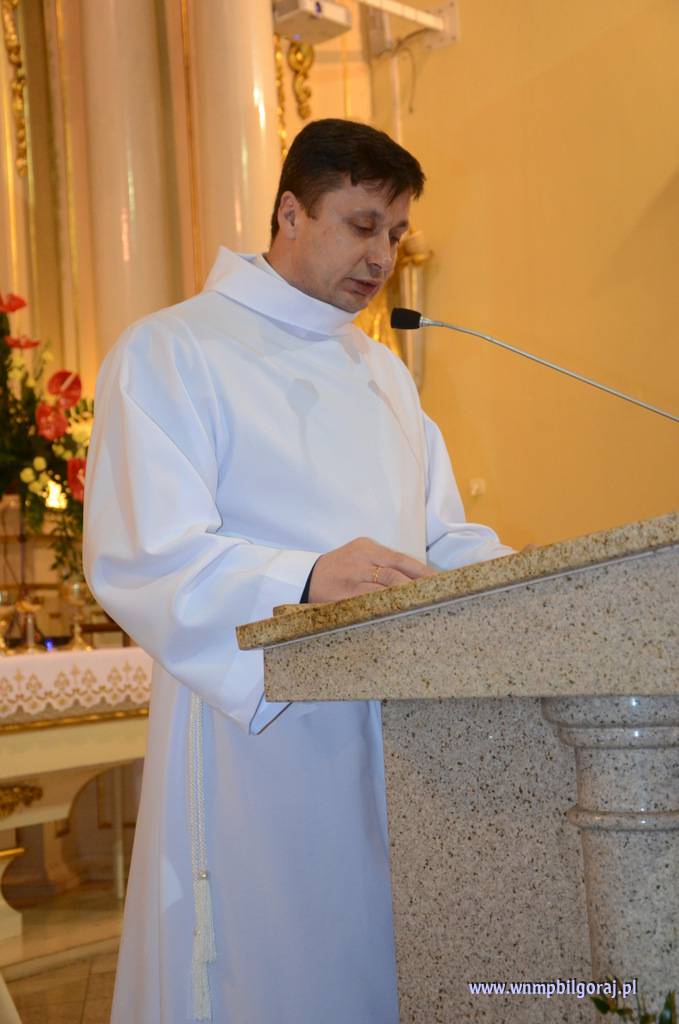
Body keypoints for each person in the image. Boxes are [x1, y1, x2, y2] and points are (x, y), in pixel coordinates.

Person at [83, 118, 512, 1024]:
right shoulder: (172, 351)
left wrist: (531, 585)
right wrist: (307, 576)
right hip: (256, 738)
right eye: (362, 225)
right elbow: (143, 554)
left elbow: (439, 539)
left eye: (396, 233)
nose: (382, 256)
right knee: (271, 969)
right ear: (289, 212)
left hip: (391, 737)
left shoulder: (382, 375)